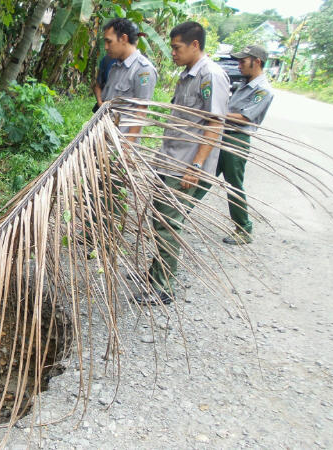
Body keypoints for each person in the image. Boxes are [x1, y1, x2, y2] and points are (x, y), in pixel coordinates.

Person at [134, 21, 230, 306]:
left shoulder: (211, 75)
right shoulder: (187, 75)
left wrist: (196, 166)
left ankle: (163, 287)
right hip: (170, 159)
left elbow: (215, 123)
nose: (172, 52)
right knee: (159, 220)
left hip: (186, 165)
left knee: (169, 224)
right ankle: (156, 274)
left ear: (195, 45)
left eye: (177, 47)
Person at [218, 45, 274, 245]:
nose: (239, 65)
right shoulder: (243, 83)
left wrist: (215, 114)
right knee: (202, 178)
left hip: (236, 139)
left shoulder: (263, 90)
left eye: (243, 61)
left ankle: (244, 228)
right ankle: (178, 218)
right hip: (221, 135)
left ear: (257, 62)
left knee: (234, 185)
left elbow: (245, 117)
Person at [99, 18, 158, 140]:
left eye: (109, 42)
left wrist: (126, 149)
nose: (106, 47)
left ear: (124, 39)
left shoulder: (143, 70)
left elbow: (141, 112)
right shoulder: (115, 67)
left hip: (122, 143)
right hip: (105, 140)